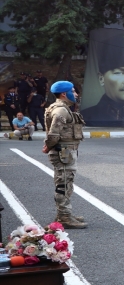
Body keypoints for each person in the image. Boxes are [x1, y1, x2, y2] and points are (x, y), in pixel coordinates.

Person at [43, 81, 86, 229]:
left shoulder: (63, 109)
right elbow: (54, 133)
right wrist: (48, 146)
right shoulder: (60, 110)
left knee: (67, 183)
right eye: (73, 91)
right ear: (64, 94)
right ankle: (64, 217)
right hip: (63, 152)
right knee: (63, 184)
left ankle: (64, 214)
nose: (75, 94)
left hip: (66, 151)